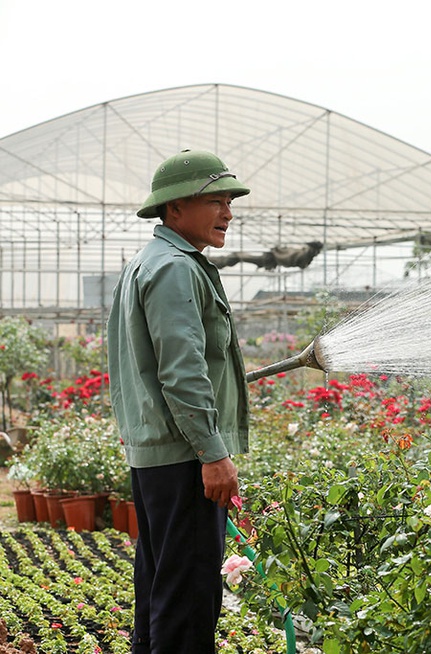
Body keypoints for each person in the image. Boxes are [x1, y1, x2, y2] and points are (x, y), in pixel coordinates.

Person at [107, 149, 251, 653]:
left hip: (159, 454)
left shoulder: (149, 263)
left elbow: (168, 362)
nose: (228, 213)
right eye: (216, 201)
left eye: (229, 201)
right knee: (189, 596)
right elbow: (181, 370)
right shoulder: (174, 268)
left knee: (161, 585)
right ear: (174, 208)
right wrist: (213, 453)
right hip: (186, 455)